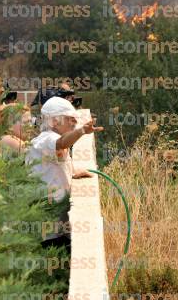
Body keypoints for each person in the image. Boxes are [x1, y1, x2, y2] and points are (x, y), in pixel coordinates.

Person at [25, 97, 102, 248]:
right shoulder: (47, 139)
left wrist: (73, 171)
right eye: (69, 119)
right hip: (48, 222)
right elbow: (61, 143)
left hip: (57, 218)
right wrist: (81, 131)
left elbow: (57, 164)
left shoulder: (52, 140)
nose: (74, 123)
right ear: (54, 121)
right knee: (53, 256)